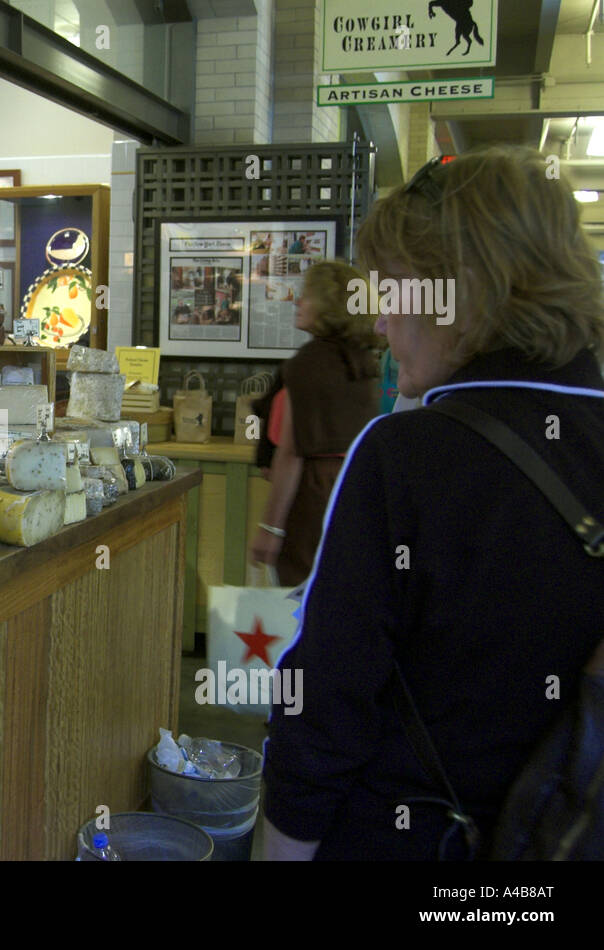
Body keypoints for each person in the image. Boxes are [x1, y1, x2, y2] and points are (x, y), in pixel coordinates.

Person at [262, 146, 604, 860]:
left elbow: (325, 710)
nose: (381, 323)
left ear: (465, 292)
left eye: (392, 291)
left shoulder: (404, 456)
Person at [247, 260, 381, 586]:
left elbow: (292, 453)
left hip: (311, 495)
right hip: (354, 491)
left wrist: (270, 529)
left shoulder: (309, 364)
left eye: (306, 295)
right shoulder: (362, 361)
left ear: (328, 304)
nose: (297, 301)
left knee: (298, 596)